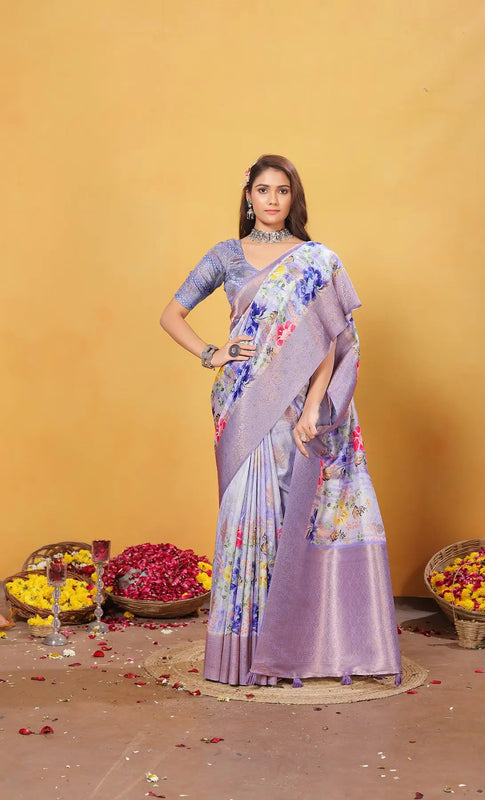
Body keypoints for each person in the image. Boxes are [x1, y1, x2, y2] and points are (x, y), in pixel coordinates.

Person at [160, 154, 401, 687]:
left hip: (297, 408)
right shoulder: (225, 255)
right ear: (248, 196)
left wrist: (314, 406)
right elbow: (171, 315)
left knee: (299, 516)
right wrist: (212, 354)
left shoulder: (316, 260)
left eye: (282, 190)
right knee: (246, 520)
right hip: (242, 403)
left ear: (294, 198)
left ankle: (295, 647)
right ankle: (244, 653)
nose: (272, 199)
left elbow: (332, 341)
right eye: (263, 189)